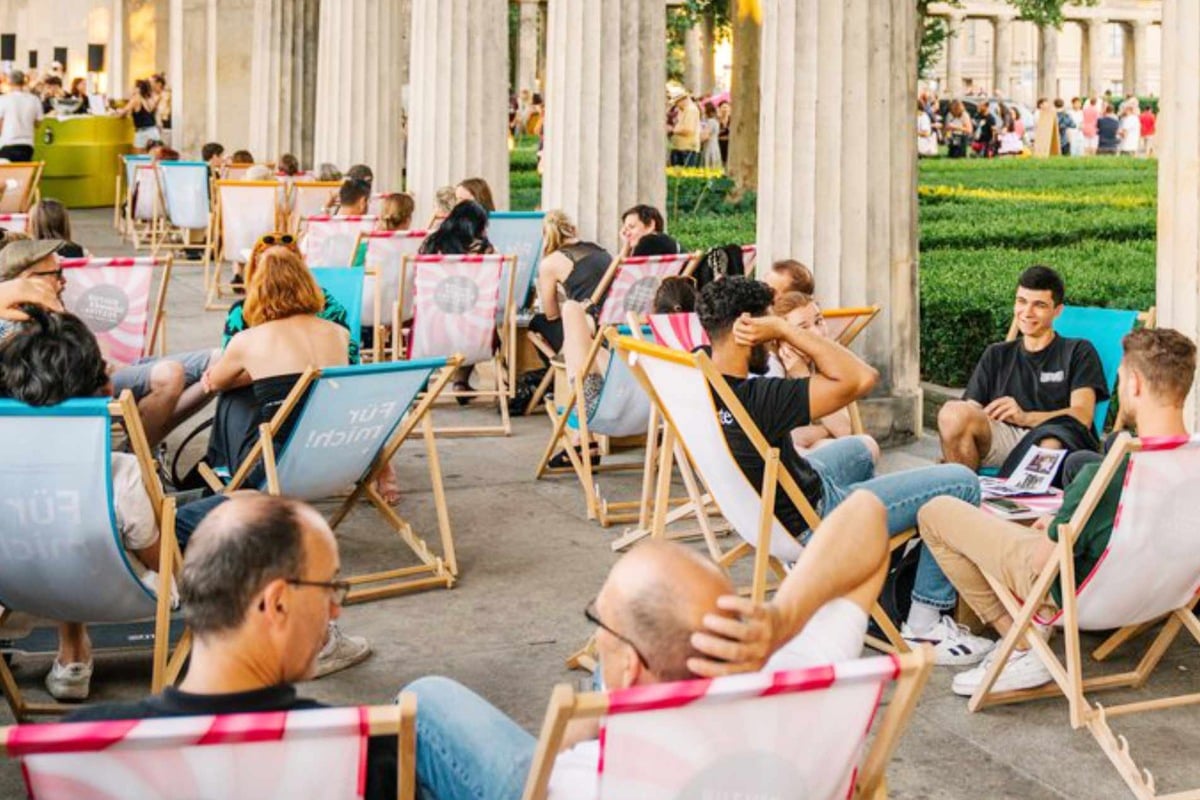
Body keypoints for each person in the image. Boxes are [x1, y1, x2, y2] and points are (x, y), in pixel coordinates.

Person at [405, 490, 890, 799]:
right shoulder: (802, 686)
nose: (597, 634)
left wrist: (580, 727)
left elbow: (550, 768)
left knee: (425, 698)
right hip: (764, 759)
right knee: (639, 631)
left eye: (598, 621)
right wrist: (783, 621)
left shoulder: (581, 783)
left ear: (632, 671)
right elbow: (867, 513)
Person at [698, 277, 987, 664]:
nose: (772, 342)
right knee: (963, 482)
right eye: (768, 328)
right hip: (811, 515)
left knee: (859, 448)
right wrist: (786, 328)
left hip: (766, 508)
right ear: (748, 327)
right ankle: (925, 623)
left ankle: (857, 571)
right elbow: (861, 378)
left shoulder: (697, 377)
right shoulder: (757, 400)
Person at [919, 328, 1195, 696]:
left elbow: (1041, 562)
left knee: (936, 513)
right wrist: (1066, 520)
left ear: (1136, 385)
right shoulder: (1190, 466)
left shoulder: (1108, 476)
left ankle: (1021, 644)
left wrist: (1051, 530)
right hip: (1163, 593)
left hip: (1074, 593)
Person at [65, 494, 398, 799]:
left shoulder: (83, 746)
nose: (335, 608)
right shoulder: (359, 752)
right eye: (329, 587)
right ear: (277, 603)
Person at [0, 305, 166, 701]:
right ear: (101, 388)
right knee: (231, 511)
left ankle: (73, 649)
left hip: (15, 591)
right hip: (118, 592)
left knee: (63, 535)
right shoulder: (119, 473)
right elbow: (162, 564)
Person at [0, 239, 212, 447]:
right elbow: (88, 381)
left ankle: (140, 452)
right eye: (57, 274)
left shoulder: (33, 321)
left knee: (216, 365)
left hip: (106, 372)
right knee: (182, 372)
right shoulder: (29, 334)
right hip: (93, 383)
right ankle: (137, 455)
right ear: (27, 279)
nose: (64, 281)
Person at [937, 265, 1108, 481]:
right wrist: (955, 437)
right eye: (1022, 301)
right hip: (1004, 438)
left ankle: (1022, 506)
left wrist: (1025, 417)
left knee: (1050, 443)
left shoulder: (1077, 351)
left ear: (1057, 310)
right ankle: (963, 495)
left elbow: (1082, 416)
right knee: (953, 413)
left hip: (1056, 437)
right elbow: (971, 410)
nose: (1027, 312)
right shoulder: (997, 354)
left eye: (1039, 305)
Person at [548, 277, 697, 468]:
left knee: (571, 309)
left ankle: (582, 439)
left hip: (601, 412)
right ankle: (581, 440)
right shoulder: (690, 340)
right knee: (595, 350)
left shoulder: (638, 336)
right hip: (656, 416)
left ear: (653, 308)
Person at [773, 292, 869, 455]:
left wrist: (804, 376)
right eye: (803, 328)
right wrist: (826, 430)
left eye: (819, 321)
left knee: (858, 447)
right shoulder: (772, 371)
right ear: (781, 339)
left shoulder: (827, 365)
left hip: (814, 458)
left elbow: (843, 429)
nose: (817, 333)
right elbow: (787, 440)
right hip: (781, 464)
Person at [419, 201, 493, 399]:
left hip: (430, 327)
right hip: (473, 328)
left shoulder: (431, 244)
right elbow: (490, 287)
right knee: (472, 313)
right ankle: (461, 382)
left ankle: (421, 384)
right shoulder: (482, 249)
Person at [528, 210, 613, 354]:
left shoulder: (550, 262)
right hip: (611, 326)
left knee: (537, 322)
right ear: (572, 228)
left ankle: (559, 369)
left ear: (546, 235)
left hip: (587, 330)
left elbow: (551, 314)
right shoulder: (599, 249)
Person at [0, 70, 44, 162]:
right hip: (27, 145)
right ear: (24, 82)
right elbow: (38, 123)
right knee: (23, 174)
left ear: (9, 82)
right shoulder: (34, 99)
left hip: (7, 143)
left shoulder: (3, 100)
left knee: (6, 175)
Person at [114, 79, 161, 152]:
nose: (132, 89)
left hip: (142, 133)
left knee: (139, 160)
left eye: (134, 87)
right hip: (153, 132)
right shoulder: (149, 99)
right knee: (153, 160)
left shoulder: (136, 99)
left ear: (138, 89)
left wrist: (116, 111)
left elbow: (122, 113)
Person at [666, 85, 701, 167]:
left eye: (677, 102)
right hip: (680, 147)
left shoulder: (691, 110)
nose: (676, 105)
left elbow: (688, 130)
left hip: (687, 148)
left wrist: (672, 130)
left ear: (683, 99)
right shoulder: (684, 110)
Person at [700, 103, 723, 170]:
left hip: (710, 147)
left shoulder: (711, 121)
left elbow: (705, 136)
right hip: (714, 146)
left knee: (709, 166)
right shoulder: (715, 121)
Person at [151, 73, 171, 145]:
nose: (150, 84)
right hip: (155, 128)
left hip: (164, 128)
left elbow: (165, 112)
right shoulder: (152, 96)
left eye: (152, 82)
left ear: (159, 84)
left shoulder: (166, 95)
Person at [716, 99, 731, 164]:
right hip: (719, 144)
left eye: (726, 107)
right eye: (723, 107)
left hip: (729, 144)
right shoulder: (717, 120)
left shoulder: (732, 120)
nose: (725, 109)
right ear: (719, 109)